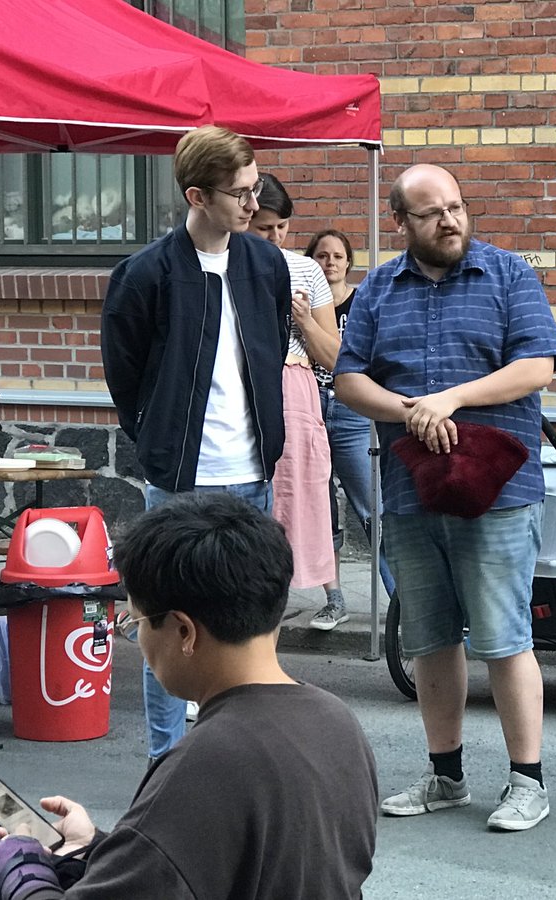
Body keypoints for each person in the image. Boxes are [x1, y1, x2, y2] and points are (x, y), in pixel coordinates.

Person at [0, 491, 379, 899]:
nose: (139, 639)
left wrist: (20, 866)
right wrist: (98, 847)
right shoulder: (337, 720)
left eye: (138, 623)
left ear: (184, 631)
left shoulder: (208, 762)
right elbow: (214, 862)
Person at [335, 164, 556, 832]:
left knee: (503, 637)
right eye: (432, 212)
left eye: (458, 207)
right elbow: (349, 380)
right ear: (403, 222)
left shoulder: (508, 275)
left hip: (500, 490)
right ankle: (447, 776)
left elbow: (536, 365)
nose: (450, 221)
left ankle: (529, 783)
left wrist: (452, 399)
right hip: (413, 490)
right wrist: (410, 410)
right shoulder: (379, 288)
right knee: (430, 639)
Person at [101, 125, 291, 761]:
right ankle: (166, 761)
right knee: (167, 623)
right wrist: (157, 437)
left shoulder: (265, 264)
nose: (253, 202)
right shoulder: (146, 274)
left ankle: (241, 754)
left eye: (255, 185)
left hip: (253, 471)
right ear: (196, 195)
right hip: (180, 477)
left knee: (248, 627)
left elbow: (266, 355)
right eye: (239, 192)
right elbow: (123, 373)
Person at [248, 175, 341, 623]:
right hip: (242, 384)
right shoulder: (228, 263)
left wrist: (302, 320)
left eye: (282, 227)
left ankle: (285, 588)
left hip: (293, 385)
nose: (275, 237)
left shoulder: (305, 270)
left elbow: (334, 354)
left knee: (296, 491)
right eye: (265, 227)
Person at [304, 228, 397, 620]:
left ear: (348, 263)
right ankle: (335, 600)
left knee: (372, 507)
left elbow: (358, 358)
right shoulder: (298, 302)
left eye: (337, 256)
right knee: (320, 509)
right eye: (322, 256)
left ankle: (403, 602)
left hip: (350, 413)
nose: (329, 263)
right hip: (307, 408)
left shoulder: (362, 304)